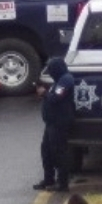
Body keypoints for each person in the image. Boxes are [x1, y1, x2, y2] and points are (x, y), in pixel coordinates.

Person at [35, 57, 78, 192]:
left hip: (60, 123)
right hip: (51, 123)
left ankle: (63, 183)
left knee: (59, 153)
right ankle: (49, 179)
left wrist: (44, 93)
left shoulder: (66, 80)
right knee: (46, 151)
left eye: (51, 70)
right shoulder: (58, 81)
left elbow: (56, 98)